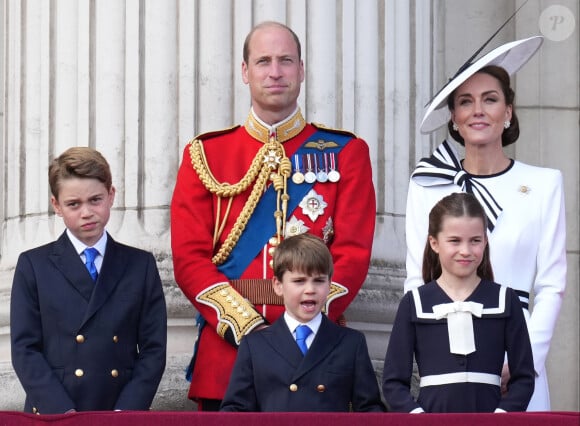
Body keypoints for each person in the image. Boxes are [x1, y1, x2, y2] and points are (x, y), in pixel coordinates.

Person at [170, 21, 376, 410]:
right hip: (228, 356)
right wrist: (247, 327)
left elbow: (352, 252)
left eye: (285, 60)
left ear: (302, 70)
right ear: (245, 72)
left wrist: (302, 323)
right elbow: (188, 258)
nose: (275, 71)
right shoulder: (205, 155)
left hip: (315, 354)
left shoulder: (347, 152)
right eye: (263, 61)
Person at [405, 36, 566, 411]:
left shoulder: (545, 184)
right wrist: (436, 354)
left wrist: (524, 360)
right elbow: (416, 279)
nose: (478, 110)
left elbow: (551, 285)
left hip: (518, 351)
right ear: (454, 118)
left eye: (490, 99)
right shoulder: (428, 183)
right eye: (465, 101)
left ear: (508, 111)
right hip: (448, 357)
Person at [10, 147, 167, 414]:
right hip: (56, 412)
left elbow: (153, 349)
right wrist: (60, 411)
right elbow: (25, 349)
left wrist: (126, 412)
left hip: (119, 410)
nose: (87, 212)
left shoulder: (140, 265)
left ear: (111, 196)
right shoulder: (33, 265)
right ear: (56, 205)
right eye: (74, 204)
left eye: (95, 200)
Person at [384, 192, 534, 412]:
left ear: (485, 241)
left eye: (475, 241)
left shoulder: (505, 299)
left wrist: (503, 415)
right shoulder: (414, 303)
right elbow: (394, 382)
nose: (466, 251)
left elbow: (523, 377)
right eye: (454, 241)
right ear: (434, 243)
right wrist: (417, 416)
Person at [220, 233, 385, 412]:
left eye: (319, 281)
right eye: (299, 281)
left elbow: (370, 411)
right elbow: (235, 412)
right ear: (278, 285)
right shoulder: (254, 345)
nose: (310, 290)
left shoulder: (351, 343)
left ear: (330, 284)